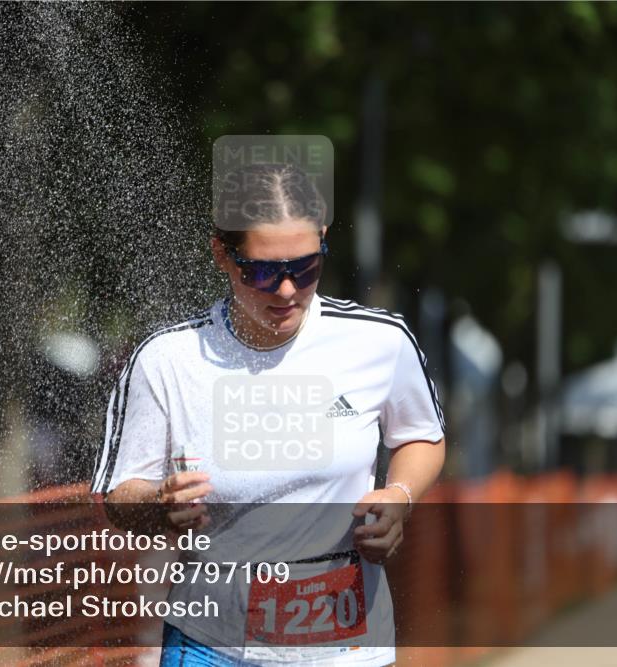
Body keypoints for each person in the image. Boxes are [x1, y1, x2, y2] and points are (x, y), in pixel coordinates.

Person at [91, 162, 446, 666]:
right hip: (209, 644)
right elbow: (119, 495)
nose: (285, 290)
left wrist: (400, 496)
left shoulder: (381, 342)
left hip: (346, 649)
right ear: (221, 253)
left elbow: (422, 436)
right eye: (260, 270)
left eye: (304, 267)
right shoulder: (167, 359)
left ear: (323, 239)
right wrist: (159, 504)